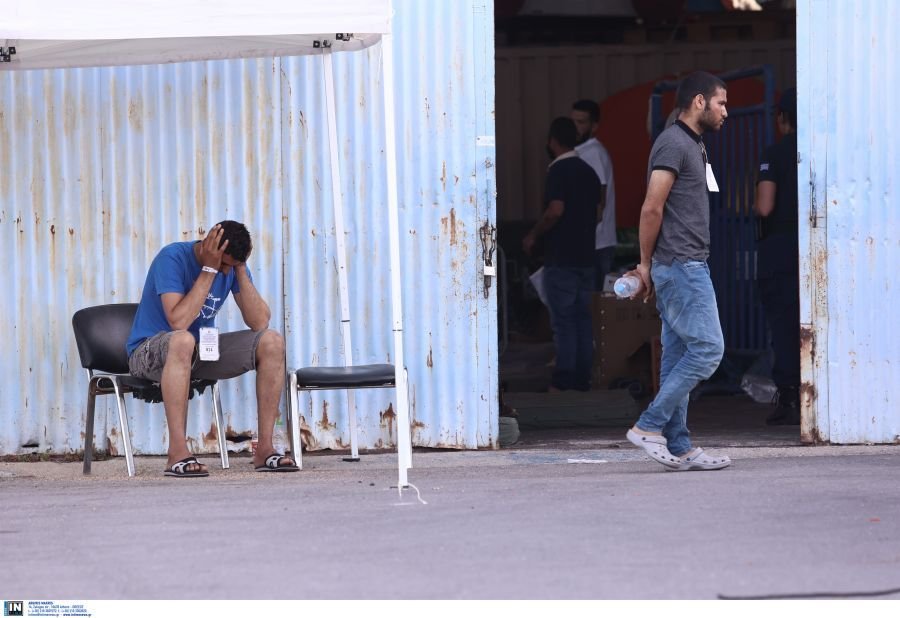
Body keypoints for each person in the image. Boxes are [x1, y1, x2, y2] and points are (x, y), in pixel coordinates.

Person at [126, 221, 298, 477]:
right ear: (208, 245)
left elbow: (259, 321)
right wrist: (209, 268)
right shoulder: (171, 258)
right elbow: (178, 322)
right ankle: (177, 453)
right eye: (224, 264)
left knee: (272, 341)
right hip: (148, 352)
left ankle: (265, 449)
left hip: (200, 352)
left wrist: (240, 269)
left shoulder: (233, 267)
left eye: (232, 265)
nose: (225, 271)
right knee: (183, 339)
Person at [624, 71, 732, 471]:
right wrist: (645, 265)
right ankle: (649, 425)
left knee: (679, 355)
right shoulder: (673, 143)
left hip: (682, 265)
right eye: (721, 103)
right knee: (708, 350)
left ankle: (680, 445)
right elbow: (652, 207)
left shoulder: (692, 143)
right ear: (699, 101)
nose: (726, 111)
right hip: (682, 266)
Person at [523, 117, 602, 392]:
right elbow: (599, 213)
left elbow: (555, 210)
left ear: (553, 141)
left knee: (564, 322)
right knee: (583, 320)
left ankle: (563, 381)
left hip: (562, 259)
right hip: (586, 257)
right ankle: (582, 379)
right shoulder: (589, 172)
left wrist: (534, 234)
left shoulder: (557, 171)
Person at [753, 88, 800, 425]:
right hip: (820, 245)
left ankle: (790, 398)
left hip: (781, 249)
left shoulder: (776, 153)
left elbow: (765, 206)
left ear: (783, 118)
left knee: (784, 325)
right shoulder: (825, 151)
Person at [571, 99, 616, 290]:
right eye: (573, 121)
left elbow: (600, 198)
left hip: (596, 243)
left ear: (594, 126)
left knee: (592, 301)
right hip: (595, 242)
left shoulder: (592, 153)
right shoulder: (584, 151)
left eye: (581, 122)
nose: (575, 127)